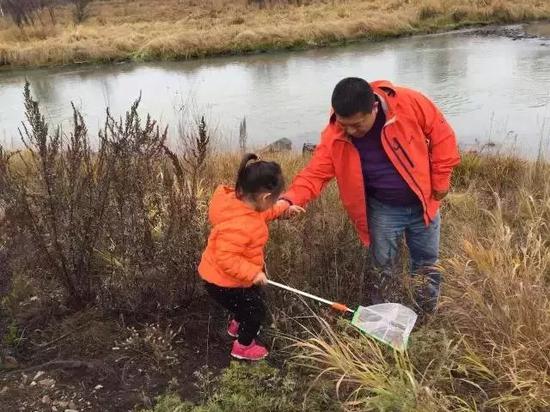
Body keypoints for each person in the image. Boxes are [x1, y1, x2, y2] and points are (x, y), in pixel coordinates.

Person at [280, 78, 460, 312]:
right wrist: (289, 199)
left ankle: (426, 313)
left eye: (356, 125)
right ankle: (385, 318)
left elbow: (442, 134)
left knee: (427, 264)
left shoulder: (408, 102)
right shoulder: (336, 133)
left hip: (424, 203)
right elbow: (315, 173)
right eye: (345, 125)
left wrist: (441, 179)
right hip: (383, 210)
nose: (350, 131)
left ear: (373, 108)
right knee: (383, 268)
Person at [198, 153, 304, 360]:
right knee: (256, 310)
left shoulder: (242, 203)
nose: (273, 203)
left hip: (229, 276)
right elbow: (226, 259)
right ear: (265, 197)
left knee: (250, 298)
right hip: (222, 282)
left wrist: (284, 209)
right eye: (274, 199)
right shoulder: (239, 225)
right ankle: (243, 346)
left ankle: (237, 324)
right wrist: (252, 273)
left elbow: (266, 212)